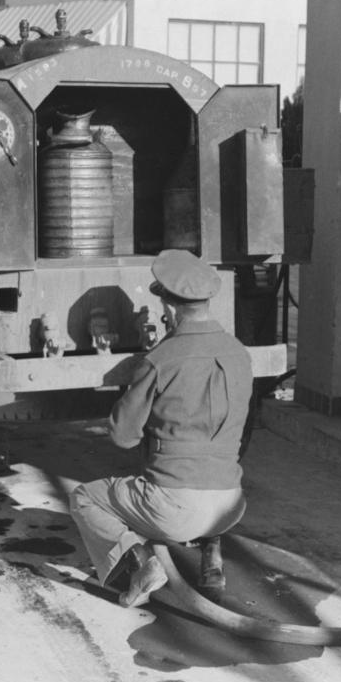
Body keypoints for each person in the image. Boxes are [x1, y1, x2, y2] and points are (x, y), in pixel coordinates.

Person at [70, 249, 253, 608]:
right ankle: (212, 557)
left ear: (168, 309)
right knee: (209, 470)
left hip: (176, 510)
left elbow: (123, 437)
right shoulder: (239, 353)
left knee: (84, 498)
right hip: (232, 504)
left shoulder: (161, 359)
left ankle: (141, 564)